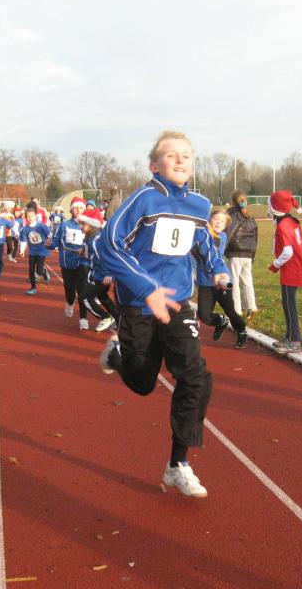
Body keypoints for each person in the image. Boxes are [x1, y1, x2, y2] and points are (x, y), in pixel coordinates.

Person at [97, 130, 230, 499]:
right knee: (142, 384)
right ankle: (117, 355)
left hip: (177, 302)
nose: (181, 159)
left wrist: (218, 268)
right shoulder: (143, 200)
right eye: (172, 155)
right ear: (154, 165)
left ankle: (178, 464)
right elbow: (108, 245)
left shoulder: (200, 205)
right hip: (139, 304)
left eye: (186, 155)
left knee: (196, 376)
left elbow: (203, 243)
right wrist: (147, 288)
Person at [196, 210, 248, 348]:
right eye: (215, 219)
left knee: (230, 310)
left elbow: (211, 246)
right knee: (204, 315)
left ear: (225, 226)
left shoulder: (221, 237)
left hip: (221, 281)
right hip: (205, 282)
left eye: (222, 221)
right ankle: (220, 321)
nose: (218, 222)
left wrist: (204, 229)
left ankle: (241, 331)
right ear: (209, 220)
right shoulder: (203, 234)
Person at [267, 191, 302, 354]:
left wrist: (275, 264)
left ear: (275, 208)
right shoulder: (292, 221)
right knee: (289, 304)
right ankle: (291, 336)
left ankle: (294, 341)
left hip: (290, 270)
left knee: (289, 305)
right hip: (297, 267)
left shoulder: (283, 225)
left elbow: (288, 251)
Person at [76, 207, 119, 332]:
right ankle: (119, 319)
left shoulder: (95, 240)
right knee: (103, 297)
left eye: (84, 224)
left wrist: (109, 273)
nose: (81, 226)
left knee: (84, 297)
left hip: (102, 275)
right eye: (80, 223)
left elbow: (107, 256)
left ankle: (105, 317)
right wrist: (83, 250)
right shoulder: (92, 237)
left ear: (92, 225)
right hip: (99, 273)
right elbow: (93, 254)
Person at [53, 196, 90, 329]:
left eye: (81, 208)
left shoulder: (88, 225)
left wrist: (85, 249)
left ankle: (83, 319)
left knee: (82, 290)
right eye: (75, 208)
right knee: (69, 290)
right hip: (67, 262)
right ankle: (69, 302)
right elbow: (56, 238)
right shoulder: (64, 225)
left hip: (83, 262)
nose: (78, 210)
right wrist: (54, 245)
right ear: (71, 210)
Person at [224, 189, 259, 319]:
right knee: (247, 281)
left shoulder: (232, 216)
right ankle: (252, 306)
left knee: (233, 281)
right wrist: (252, 255)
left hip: (236, 253)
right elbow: (255, 239)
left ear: (233, 202)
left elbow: (229, 234)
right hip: (248, 255)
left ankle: (236, 310)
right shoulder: (250, 218)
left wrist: (221, 250)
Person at [18, 208, 51, 295]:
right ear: (25, 217)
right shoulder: (25, 229)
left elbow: (49, 234)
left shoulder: (41, 226)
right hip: (32, 252)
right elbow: (23, 241)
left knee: (38, 270)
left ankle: (44, 272)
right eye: (28, 216)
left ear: (35, 216)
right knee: (31, 270)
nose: (30, 218)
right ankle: (33, 288)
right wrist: (22, 250)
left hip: (41, 251)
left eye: (32, 216)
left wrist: (51, 237)